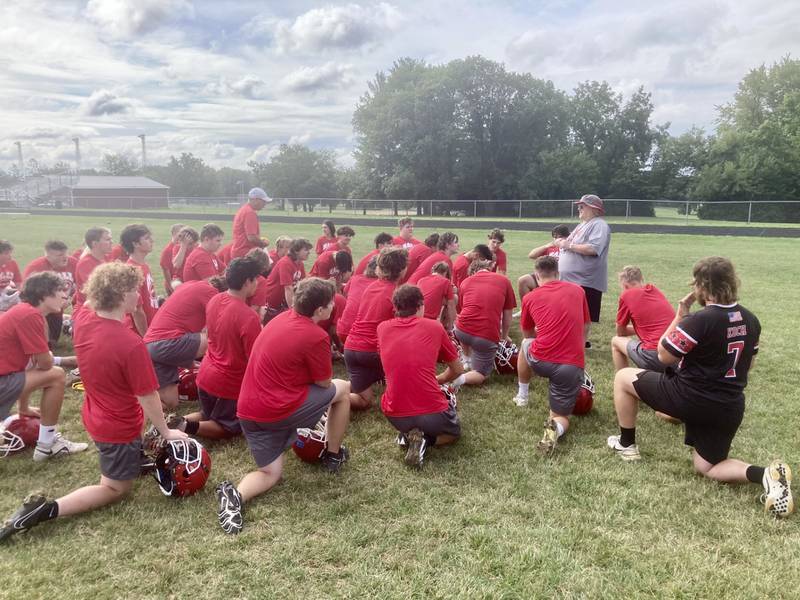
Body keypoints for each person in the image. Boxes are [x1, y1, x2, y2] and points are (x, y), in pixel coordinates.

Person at [0, 263, 188, 542]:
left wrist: (106, 282)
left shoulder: (85, 321)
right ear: (120, 295)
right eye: (134, 290)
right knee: (116, 489)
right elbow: (147, 395)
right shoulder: (129, 343)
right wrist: (165, 431)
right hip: (117, 427)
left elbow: (89, 302)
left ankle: (134, 458)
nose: (138, 295)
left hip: (96, 415)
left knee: (127, 457)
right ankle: (45, 510)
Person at [606, 257, 793, 518]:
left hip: (689, 398)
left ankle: (626, 444)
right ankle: (766, 475)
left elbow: (663, 356)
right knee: (707, 468)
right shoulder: (751, 319)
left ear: (701, 286)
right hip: (728, 407)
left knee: (623, 377)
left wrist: (679, 315)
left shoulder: (699, 320)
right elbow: (749, 365)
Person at [215, 278, 351, 534]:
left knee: (270, 473)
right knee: (343, 389)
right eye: (331, 303)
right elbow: (324, 383)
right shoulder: (316, 335)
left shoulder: (278, 319)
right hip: (277, 411)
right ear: (319, 310)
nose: (334, 306)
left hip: (248, 412)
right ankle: (333, 455)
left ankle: (235, 497)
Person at [0, 272, 85, 461]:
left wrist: (23, 408)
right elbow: (45, 364)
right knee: (56, 375)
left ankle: (44, 439)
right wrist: (55, 357)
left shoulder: (25, 311)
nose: (65, 295)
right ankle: (47, 445)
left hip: (5, 378)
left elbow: (28, 366)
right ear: (44, 293)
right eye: (59, 290)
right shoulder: (30, 315)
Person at [378, 285, 464, 467]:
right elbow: (457, 369)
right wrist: (438, 380)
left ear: (396, 307)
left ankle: (408, 434)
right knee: (453, 433)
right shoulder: (434, 326)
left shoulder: (382, 328)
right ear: (420, 306)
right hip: (432, 411)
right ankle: (426, 440)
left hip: (394, 413)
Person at [179, 257, 262, 440]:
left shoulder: (215, 299)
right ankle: (183, 426)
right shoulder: (249, 317)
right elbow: (254, 360)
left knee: (206, 414)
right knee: (228, 427)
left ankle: (172, 425)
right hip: (227, 384)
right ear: (247, 282)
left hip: (205, 375)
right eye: (255, 279)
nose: (257, 283)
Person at [512, 256, 589, 455]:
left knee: (525, 344)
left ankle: (522, 395)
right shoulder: (578, 291)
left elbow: (527, 334)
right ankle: (552, 432)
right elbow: (585, 325)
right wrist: (579, 349)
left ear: (537, 276)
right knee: (560, 416)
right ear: (558, 273)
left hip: (540, 359)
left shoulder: (529, 298)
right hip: (570, 364)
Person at [143, 277, 226, 410]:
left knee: (171, 403)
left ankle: (133, 404)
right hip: (167, 343)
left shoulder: (190, 284)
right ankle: (225, 382)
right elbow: (222, 326)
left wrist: (192, 362)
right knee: (220, 337)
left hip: (151, 346)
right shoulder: (211, 292)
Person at [344, 248, 407, 410]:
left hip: (351, 348)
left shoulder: (371, 287)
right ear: (402, 270)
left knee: (364, 400)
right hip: (373, 352)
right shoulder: (397, 293)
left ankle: (329, 399)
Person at [554, 195, 611, 348]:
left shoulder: (599, 225)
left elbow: (593, 249)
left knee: (583, 316)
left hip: (585, 280)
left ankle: (579, 345)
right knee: (570, 313)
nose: (579, 208)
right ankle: (572, 342)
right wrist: (562, 242)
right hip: (572, 279)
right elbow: (569, 243)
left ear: (594, 209)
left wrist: (568, 245)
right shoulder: (583, 225)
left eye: (582, 206)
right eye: (579, 206)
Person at [452, 259, 516, 386]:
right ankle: (457, 380)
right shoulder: (503, 280)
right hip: (485, 336)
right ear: (488, 269)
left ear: (472, 272)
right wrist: (504, 336)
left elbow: (464, 309)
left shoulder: (466, 282)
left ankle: (466, 359)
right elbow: (508, 314)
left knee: (466, 327)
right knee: (481, 373)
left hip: (461, 331)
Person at [611, 266, 674, 372]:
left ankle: (622, 377)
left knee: (615, 341)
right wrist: (643, 328)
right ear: (641, 280)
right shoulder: (654, 290)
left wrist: (639, 328)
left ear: (625, 285)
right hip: (675, 353)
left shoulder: (626, 294)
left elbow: (620, 332)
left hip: (654, 355)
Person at [23, 240, 78, 347]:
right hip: (40, 308)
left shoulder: (73, 263)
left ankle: (66, 323)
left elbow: (82, 284)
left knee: (52, 342)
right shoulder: (36, 267)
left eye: (66, 254)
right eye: (60, 255)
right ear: (48, 256)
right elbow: (27, 294)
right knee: (41, 343)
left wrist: (69, 299)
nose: (65, 258)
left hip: (57, 308)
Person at [120, 224, 158, 337]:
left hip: (151, 324)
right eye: (147, 238)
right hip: (140, 332)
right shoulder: (131, 270)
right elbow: (137, 311)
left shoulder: (143, 265)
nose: (152, 240)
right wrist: (146, 337)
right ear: (135, 244)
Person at [517, 224, 569, 305]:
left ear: (567, 237)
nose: (557, 239)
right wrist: (546, 246)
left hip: (559, 276)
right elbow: (531, 255)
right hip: (544, 275)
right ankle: (526, 306)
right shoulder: (551, 248)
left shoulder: (570, 248)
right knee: (523, 280)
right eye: (555, 237)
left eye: (560, 237)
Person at [262, 238, 311, 321]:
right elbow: (288, 288)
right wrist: (293, 310)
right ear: (296, 251)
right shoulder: (286, 263)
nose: (309, 252)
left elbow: (302, 284)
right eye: (306, 250)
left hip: (284, 301)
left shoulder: (300, 263)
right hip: (273, 301)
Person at [72, 227, 113, 323]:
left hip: (103, 309)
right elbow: (98, 291)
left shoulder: (106, 259)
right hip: (88, 313)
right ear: (95, 244)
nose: (111, 242)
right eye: (107, 239)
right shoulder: (86, 264)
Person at [336, 257, 378, 347]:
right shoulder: (380, 285)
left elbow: (344, 296)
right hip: (361, 337)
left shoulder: (355, 278)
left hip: (343, 330)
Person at [232, 187, 271, 258]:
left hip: (239, 251)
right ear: (255, 199)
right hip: (245, 253)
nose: (265, 204)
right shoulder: (250, 212)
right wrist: (263, 243)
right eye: (263, 201)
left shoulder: (244, 209)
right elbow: (251, 237)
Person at [417, 261, 456, 328]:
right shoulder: (445, 281)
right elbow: (451, 305)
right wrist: (451, 325)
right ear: (445, 272)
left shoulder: (421, 280)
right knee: (454, 298)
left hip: (417, 315)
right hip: (430, 319)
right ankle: (446, 326)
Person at [158, 223, 185, 295]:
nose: (181, 237)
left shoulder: (182, 247)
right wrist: (170, 286)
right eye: (179, 235)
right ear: (173, 234)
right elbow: (165, 270)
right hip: (174, 284)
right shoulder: (168, 250)